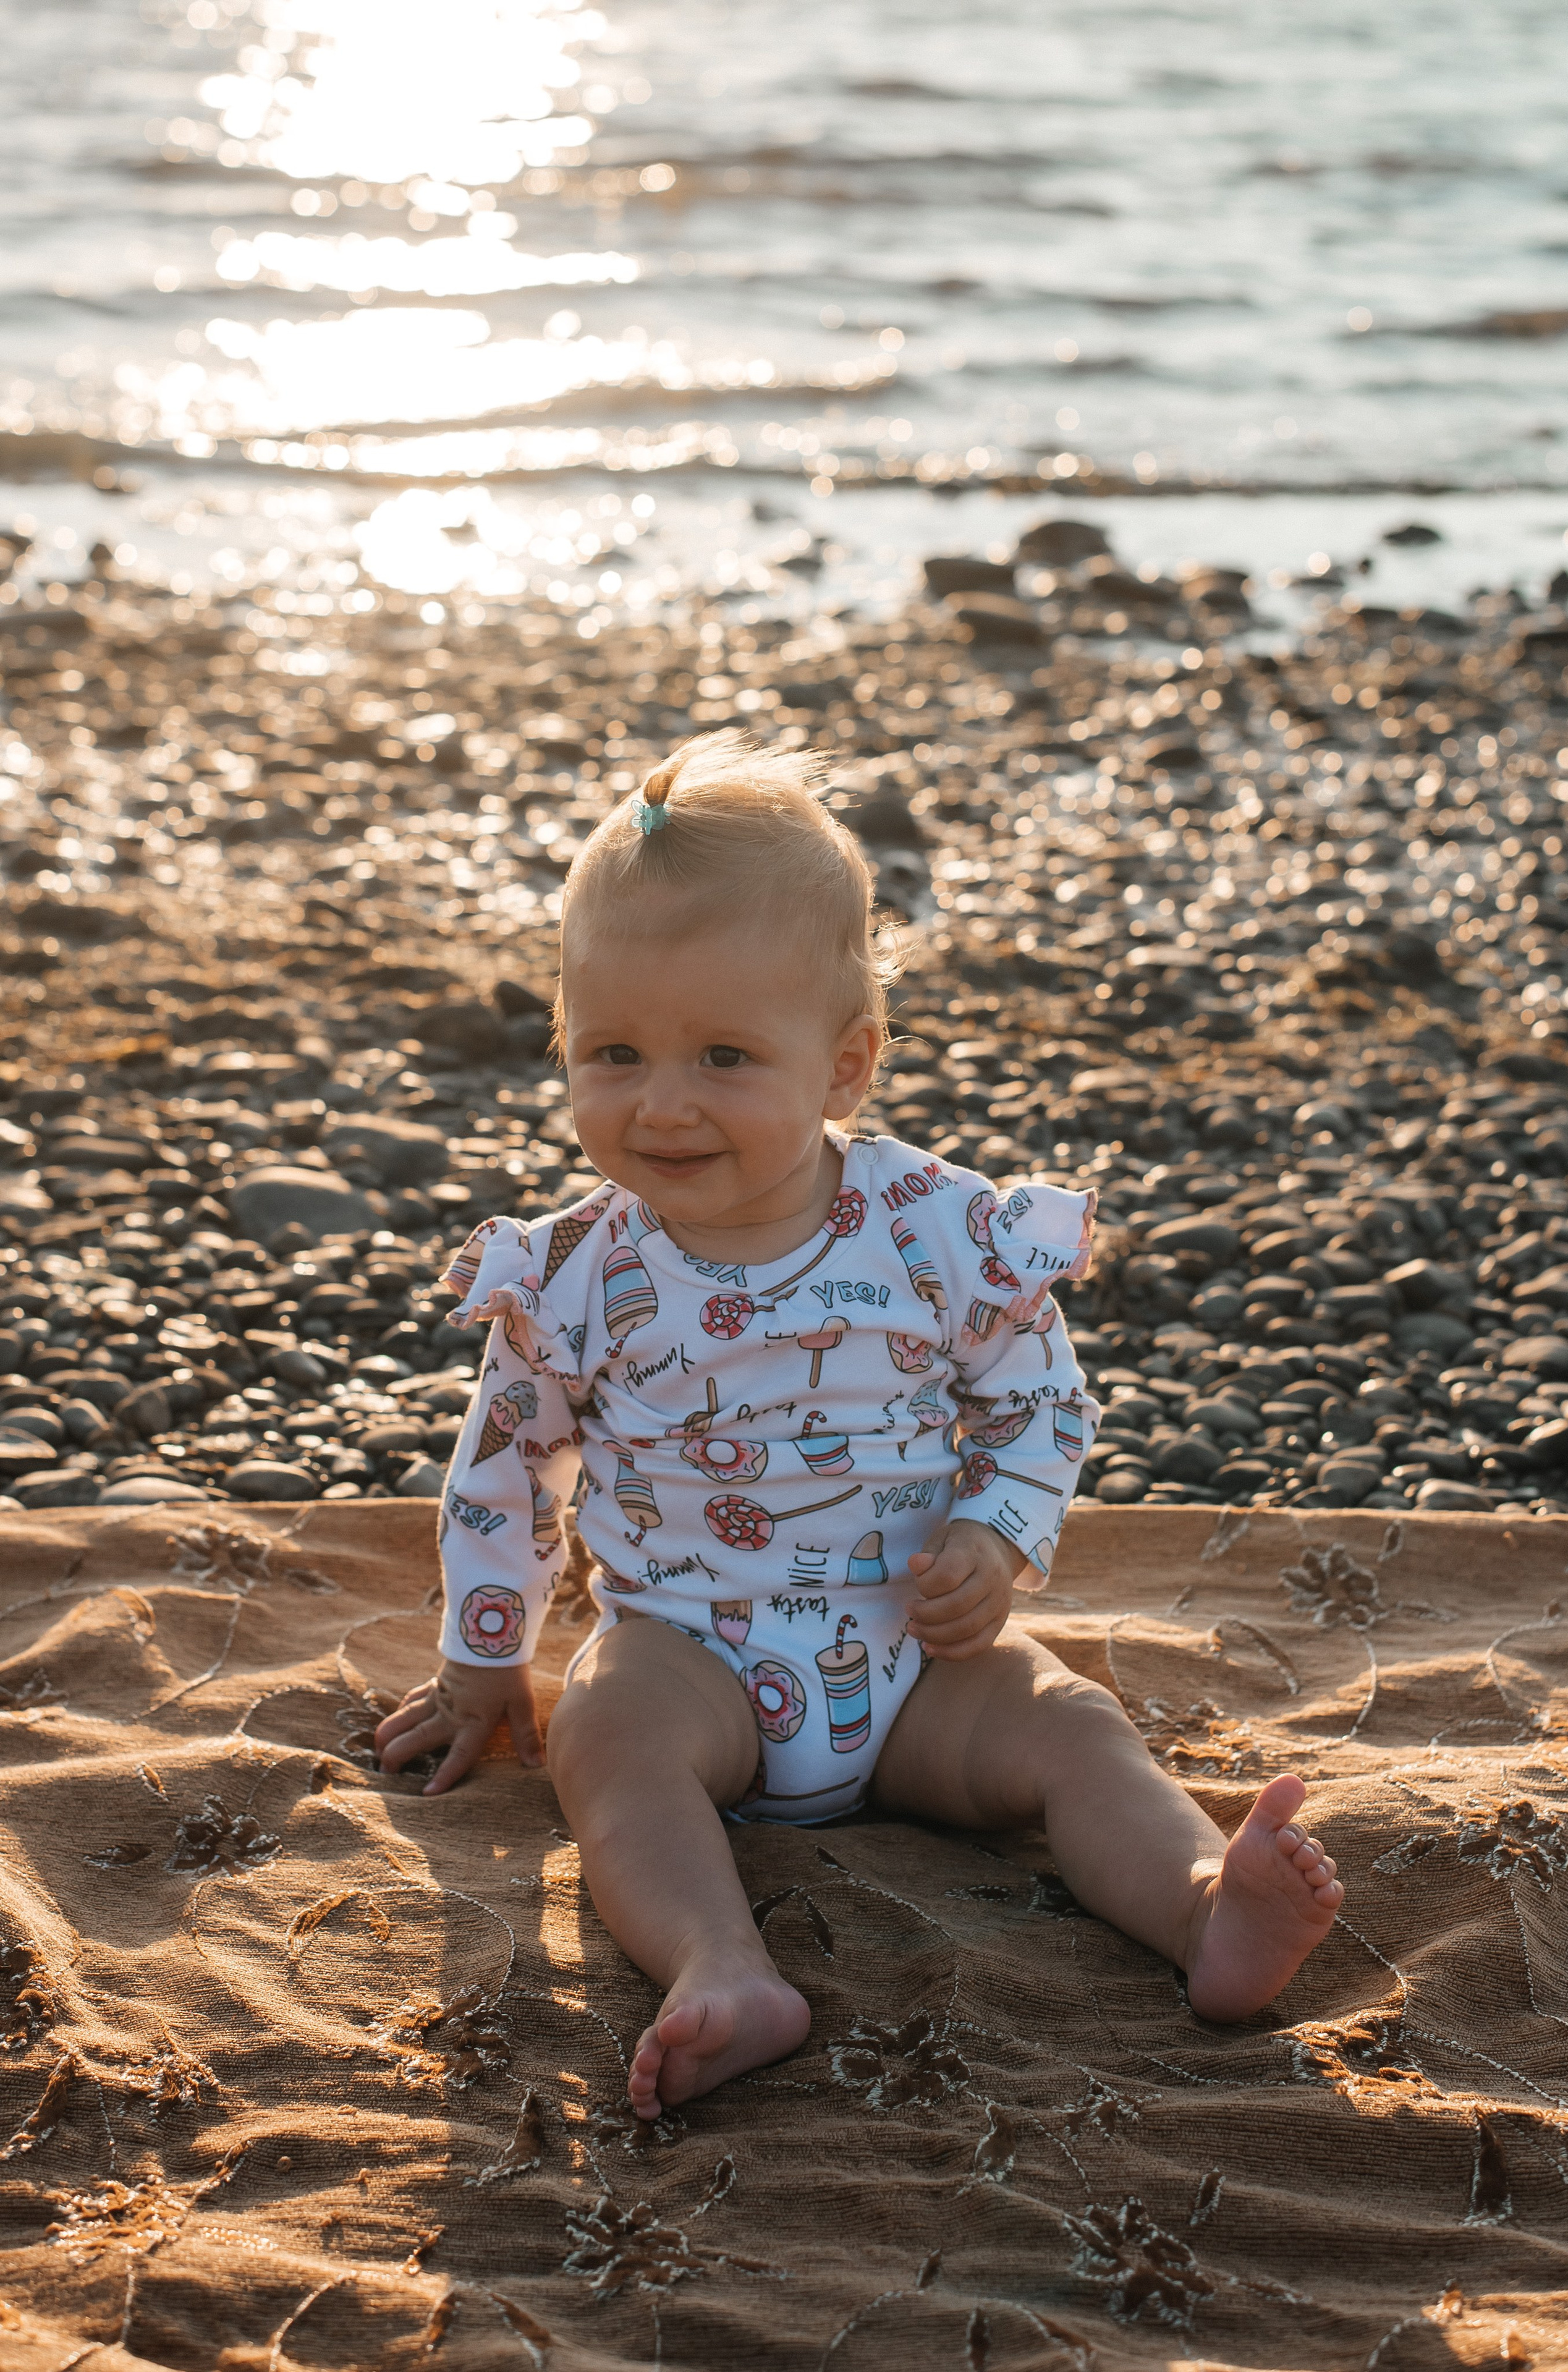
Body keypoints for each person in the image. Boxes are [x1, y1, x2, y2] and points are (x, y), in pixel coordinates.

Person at [375, 731, 1344, 2120]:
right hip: (688, 1659)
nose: (661, 1101)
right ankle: (720, 1963)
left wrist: (993, 1539)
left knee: (1073, 1725)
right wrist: (484, 1659)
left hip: (914, 1657)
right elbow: (509, 1463)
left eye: (723, 1055)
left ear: (844, 1066)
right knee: (600, 1732)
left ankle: (1203, 1907)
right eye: (612, 1052)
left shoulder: (936, 1228)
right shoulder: (577, 1269)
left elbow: (1035, 1395)